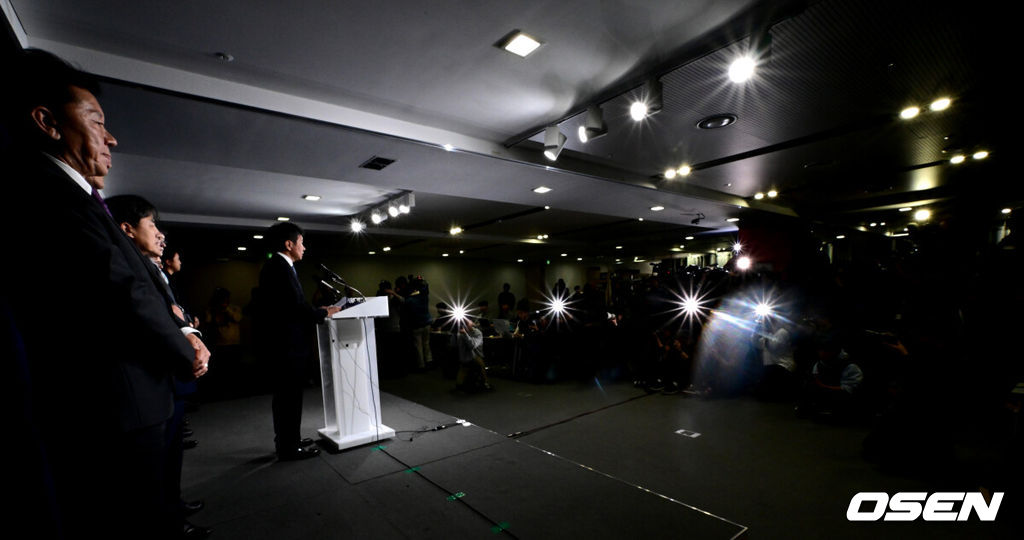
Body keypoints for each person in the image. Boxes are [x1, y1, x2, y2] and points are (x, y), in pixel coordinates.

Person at [1, 49, 210, 539]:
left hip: (129, 401)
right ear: (47, 121)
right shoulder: (47, 193)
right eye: (96, 120)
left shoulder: (73, 196)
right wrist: (187, 348)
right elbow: (121, 290)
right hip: (114, 409)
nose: (111, 137)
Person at [107, 194, 210, 537]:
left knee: (171, 454)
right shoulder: (134, 269)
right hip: (150, 379)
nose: (161, 235)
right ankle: (171, 518)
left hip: (167, 376)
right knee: (158, 463)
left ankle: (174, 507)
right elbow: (162, 316)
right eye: (152, 225)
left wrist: (189, 331)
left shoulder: (152, 270)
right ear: (128, 230)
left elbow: (177, 315)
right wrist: (187, 344)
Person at [254, 222, 340, 460]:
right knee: (289, 398)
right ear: (289, 244)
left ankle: (289, 439)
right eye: (301, 242)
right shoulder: (280, 267)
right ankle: (289, 447)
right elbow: (294, 307)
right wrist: (324, 313)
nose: (304, 247)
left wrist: (317, 309)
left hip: (286, 344)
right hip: (287, 347)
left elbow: (292, 305)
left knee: (287, 398)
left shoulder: (280, 265)